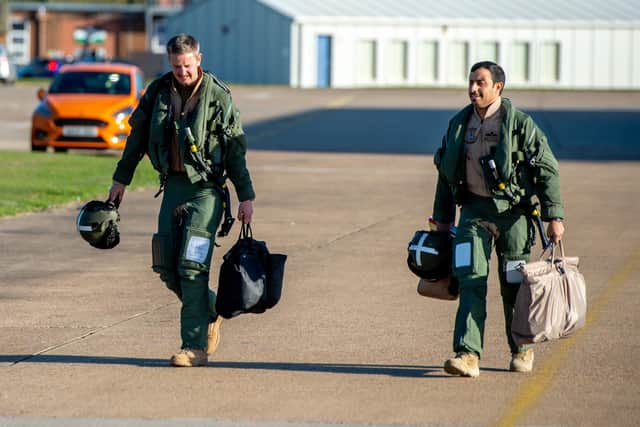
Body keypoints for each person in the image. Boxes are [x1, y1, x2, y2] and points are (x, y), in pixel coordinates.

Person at [108, 34, 255, 367]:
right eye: (176, 66)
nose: (183, 72)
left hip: (206, 191)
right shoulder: (158, 92)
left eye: (187, 66)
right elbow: (137, 139)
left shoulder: (218, 97)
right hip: (173, 188)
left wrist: (245, 196)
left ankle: (194, 346)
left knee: (191, 267)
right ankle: (212, 310)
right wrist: (121, 179)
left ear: (199, 59)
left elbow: (235, 152)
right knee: (166, 267)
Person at [431, 61, 565, 377]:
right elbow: (445, 173)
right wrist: (442, 218)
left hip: (514, 215)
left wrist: (554, 215)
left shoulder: (520, 124)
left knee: (514, 286)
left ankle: (522, 350)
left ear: (497, 87)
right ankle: (467, 354)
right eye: (471, 82)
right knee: (470, 280)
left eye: (481, 82)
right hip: (474, 214)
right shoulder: (459, 124)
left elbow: (547, 169)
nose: (473, 88)